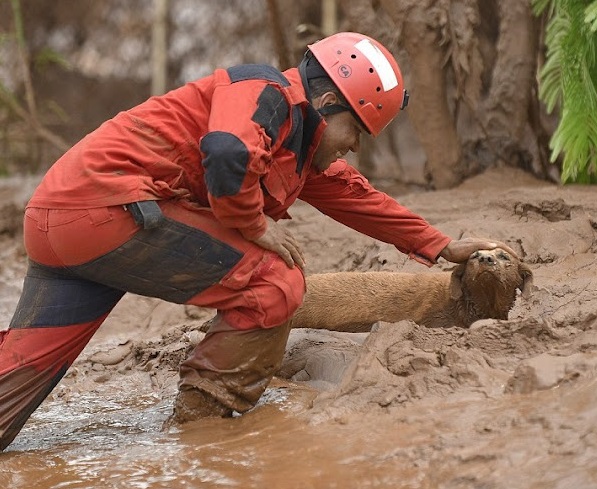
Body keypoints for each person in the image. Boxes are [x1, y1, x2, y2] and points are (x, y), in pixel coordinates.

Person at [0, 31, 516, 451]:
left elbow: (362, 200)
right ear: (329, 100)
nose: (355, 147)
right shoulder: (266, 92)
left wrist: (443, 246)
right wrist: (253, 225)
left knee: (18, 381)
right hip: (107, 213)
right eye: (356, 131)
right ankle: (205, 431)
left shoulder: (297, 141)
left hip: (59, 221)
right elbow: (226, 153)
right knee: (274, 284)